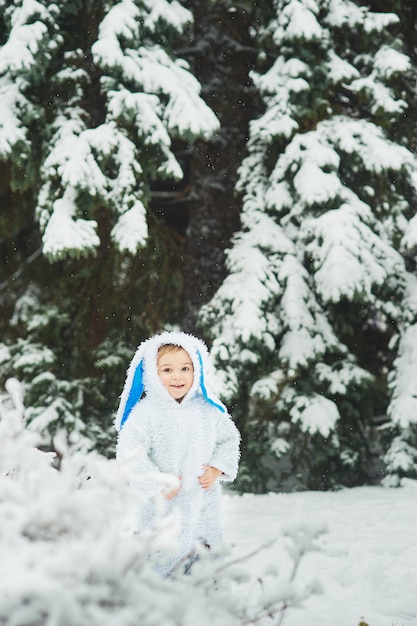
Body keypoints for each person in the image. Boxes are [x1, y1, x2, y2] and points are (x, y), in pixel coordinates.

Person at [114, 331, 240, 576]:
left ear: (197, 370)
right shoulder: (146, 413)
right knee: (162, 559)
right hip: (163, 505)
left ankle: (208, 594)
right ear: (152, 373)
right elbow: (130, 453)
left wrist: (216, 468)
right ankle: (159, 594)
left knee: (206, 558)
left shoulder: (208, 409)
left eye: (185, 368)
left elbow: (229, 439)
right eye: (167, 370)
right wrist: (158, 482)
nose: (177, 376)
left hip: (203, 501)